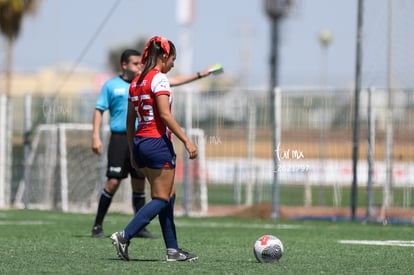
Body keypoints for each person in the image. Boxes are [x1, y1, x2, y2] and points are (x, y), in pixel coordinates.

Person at [91, 49, 213, 239]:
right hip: (127, 139)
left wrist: (200, 75)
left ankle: (155, 239)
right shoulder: (114, 85)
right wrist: (95, 136)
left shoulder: (144, 81)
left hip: (139, 139)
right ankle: (104, 227)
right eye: (135, 63)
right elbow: (100, 110)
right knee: (121, 184)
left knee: (143, 187)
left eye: (141, 62)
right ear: (124, 65)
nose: (139, 65)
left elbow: (173, 81)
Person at [110, 36, 198, 262]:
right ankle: (125, 235)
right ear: (163, 56)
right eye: (173, 60)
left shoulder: (136, 81)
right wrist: (187, 140)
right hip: (157, 143)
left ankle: (173, 250)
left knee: (168, 195)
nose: (173, 65)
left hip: (140, 142)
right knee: (160, 198)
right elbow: (165, 114)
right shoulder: (159, 79)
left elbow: (130, 122)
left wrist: (132, 149)